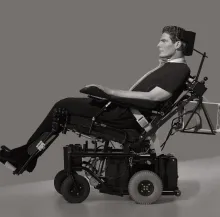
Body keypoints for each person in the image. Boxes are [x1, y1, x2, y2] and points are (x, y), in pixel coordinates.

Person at [0, 25, 191, 173]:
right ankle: (28, 156)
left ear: (177, 44)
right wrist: (158, 67)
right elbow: (141, 90)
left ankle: (26, 156)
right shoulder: (169, 67)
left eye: (163, 41)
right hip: (124, 110)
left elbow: (154, 97)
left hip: (125, 116)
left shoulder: (181, 69)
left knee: (63, 106)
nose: (158, 44)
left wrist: (110, 92)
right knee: (63, 107)